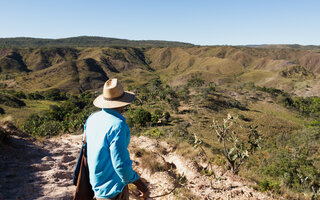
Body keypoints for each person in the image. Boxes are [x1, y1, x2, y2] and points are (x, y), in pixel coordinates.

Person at [85, 78, 149, 200]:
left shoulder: (92, 118)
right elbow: (120, 165)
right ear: (123, 102)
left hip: (95, 183)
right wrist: (140, 184)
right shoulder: (118, 126)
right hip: (112, 189)